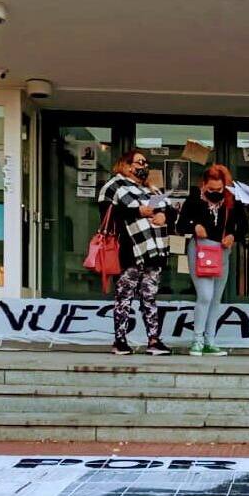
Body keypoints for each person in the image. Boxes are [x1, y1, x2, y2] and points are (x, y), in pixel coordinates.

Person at [98, 149, 175, 356]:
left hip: (154, 250)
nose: (144, 166)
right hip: (129, 249)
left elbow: (170, 210)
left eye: (146, 163)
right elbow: (107, 213)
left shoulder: (152, 189)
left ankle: (153, 339)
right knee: (124, 296)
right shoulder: (114, 186)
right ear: (127, 165)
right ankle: (120, 340)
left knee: (149, 296)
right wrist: (138, 211)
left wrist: (163, 217)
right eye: (140, 162)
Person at [178, 163, 248, 356]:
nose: (216, 192)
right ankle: (197, 338)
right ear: (204, 184)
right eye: (211, 189)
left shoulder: (232, 200)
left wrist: (233, 236)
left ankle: (210, 339)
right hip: (200, 249)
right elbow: (180, 224)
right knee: (205, 295)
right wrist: (194, 227)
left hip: (222, 250)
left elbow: (243, 226)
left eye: (220, 189)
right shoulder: (194, 199)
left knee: (216, 297)